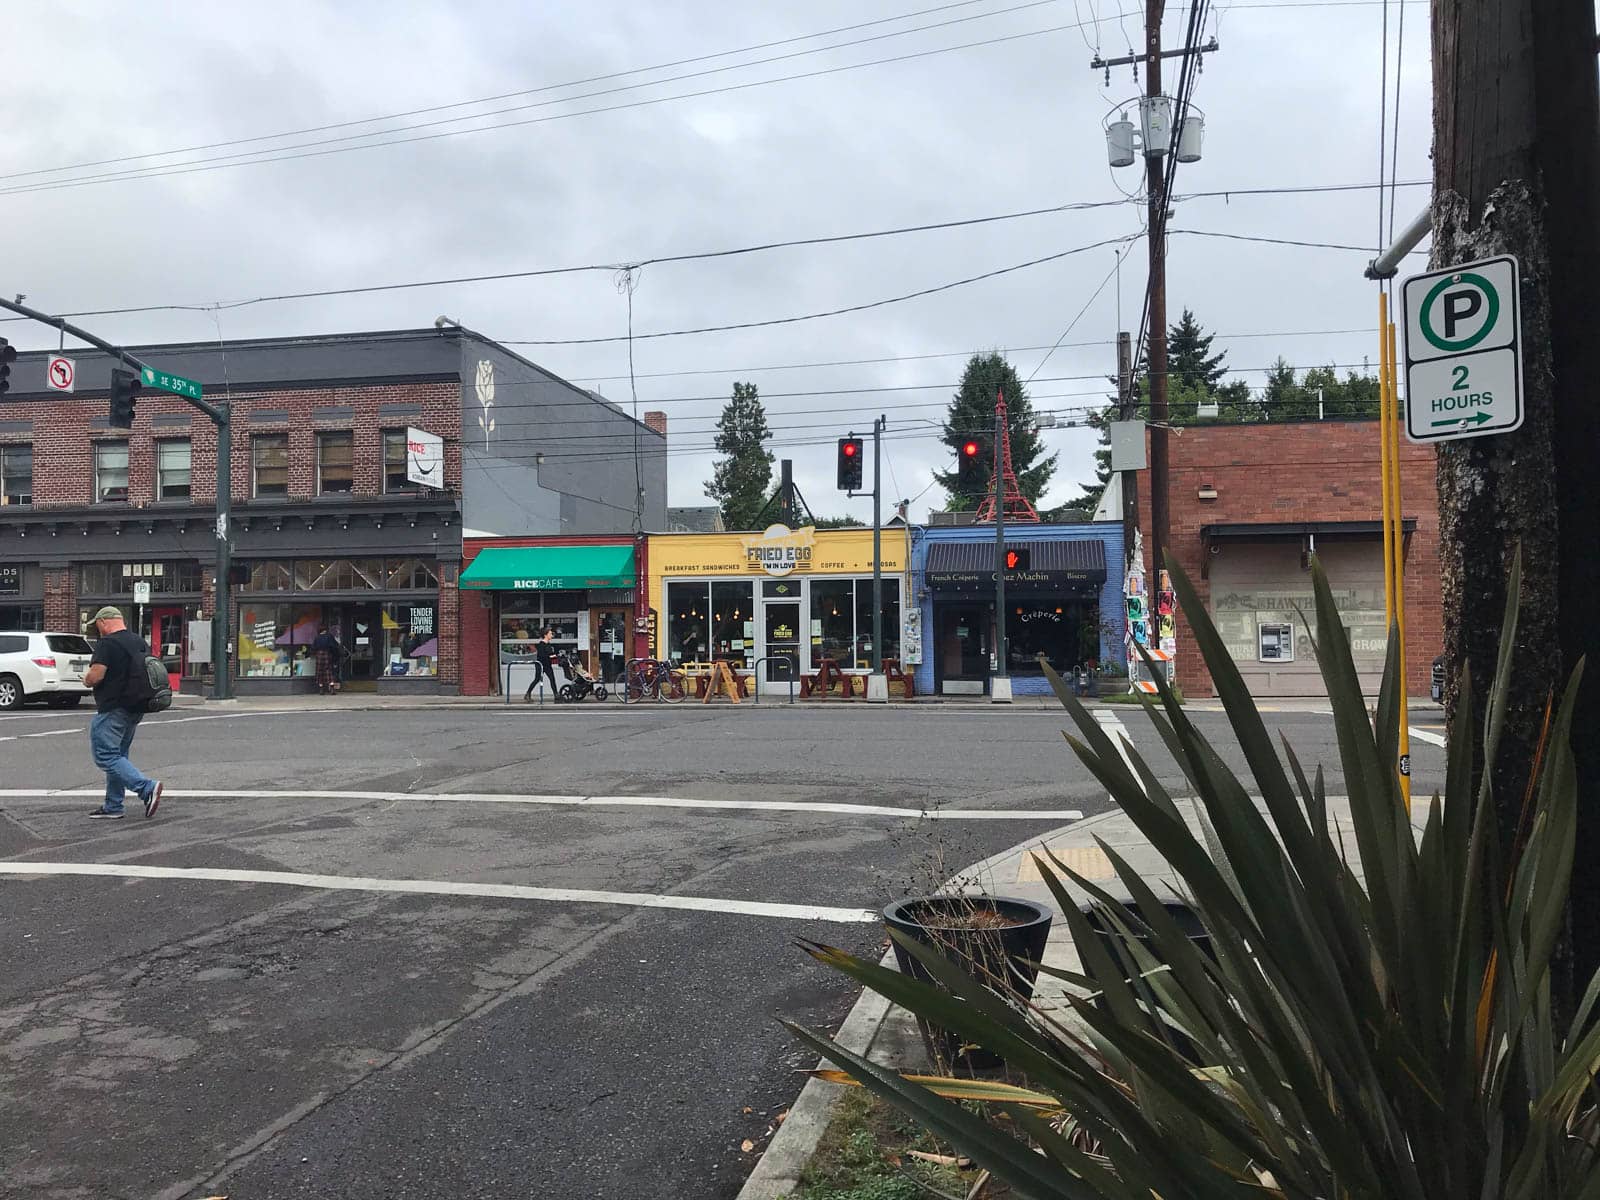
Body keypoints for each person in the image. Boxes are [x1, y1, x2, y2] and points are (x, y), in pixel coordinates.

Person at [82, 606, 164, 821]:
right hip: (135, 707)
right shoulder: (138, 641)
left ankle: (146, 788)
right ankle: (113, 806)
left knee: (106, 756)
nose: (98, 630)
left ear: (103, 622)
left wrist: (86, 679)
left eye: (97, 625)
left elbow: (96, 675)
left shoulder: (107, 643)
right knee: (118, 757)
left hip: (113, 708)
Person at [525, 628, 558, 701]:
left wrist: (555, 656)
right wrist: (551, 656)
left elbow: (551, 654)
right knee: (537, 679)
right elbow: (542, 655)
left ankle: (556, 695)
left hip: (547, 665)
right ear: (545, 635)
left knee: (552, 679)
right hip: (540, 665)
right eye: (550, 634)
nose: (551, 635)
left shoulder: (548, 644)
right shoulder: (541, 644)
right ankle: (528, 693)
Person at [311, 625, 342, 695]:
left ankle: (321, 689)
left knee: (320, 672)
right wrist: (336, 655)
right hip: (327, 654)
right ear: (325, 630)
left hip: (319, 655)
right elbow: (334, 646)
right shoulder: (329, 636)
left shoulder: (317, 638)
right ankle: (332, 689)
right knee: (329, 671)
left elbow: (313, 648)